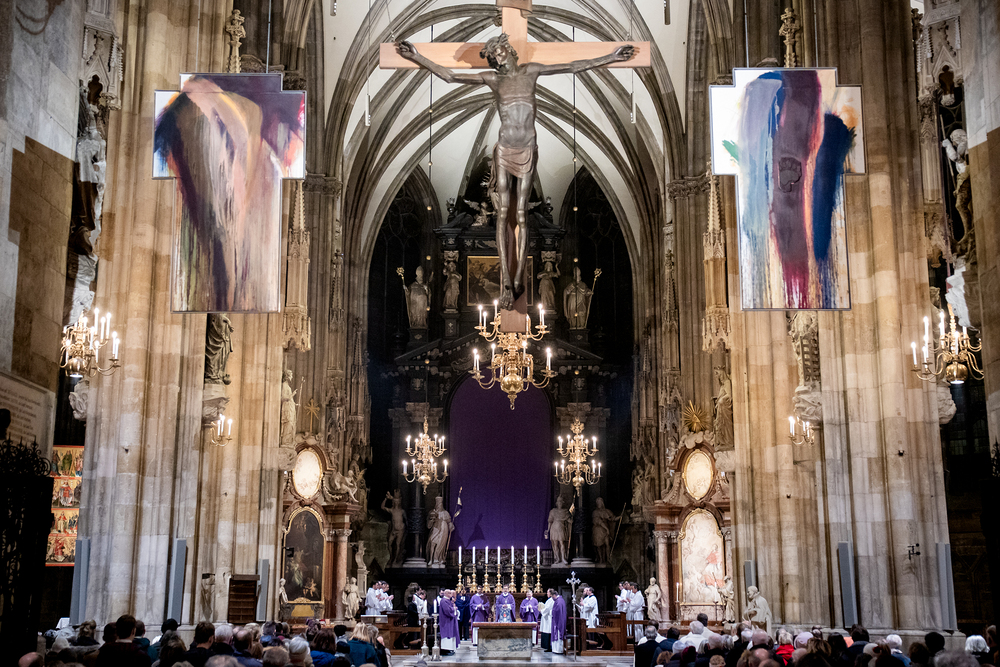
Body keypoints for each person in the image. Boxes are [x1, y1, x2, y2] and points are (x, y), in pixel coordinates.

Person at [396, 35, 634, 310]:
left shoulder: (532, 71)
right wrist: (416, 57)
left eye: (499, 52)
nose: (498, 58)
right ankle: (507, 282)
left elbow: (571, 66)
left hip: (527, 149)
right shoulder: (493, 79)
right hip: (505, 149)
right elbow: (449, 76)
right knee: (502, 215)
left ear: (509, 49)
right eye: (493, 57)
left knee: (521, 214)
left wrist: (610, 57)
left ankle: (519, 278)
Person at [440, 588, 460, 655]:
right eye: (449, 593)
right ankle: (446, 649)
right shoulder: (444, 601)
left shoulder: (448, 600)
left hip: (450, 621)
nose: (451, 594)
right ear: (446, 594)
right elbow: (447, 610)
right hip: (446, 621)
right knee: (447, 635)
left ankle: (451, 649)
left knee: (452, 634)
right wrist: (454, 609)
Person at [551, 589, 567, 655]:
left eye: (552, 597)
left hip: (558, 621)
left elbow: (557, 611)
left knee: (557, 634)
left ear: (554, 595)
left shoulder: (558, 601)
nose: (552, 598)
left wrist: (552, 612)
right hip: (560, 619)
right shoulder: (561, 600)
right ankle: (557, 649)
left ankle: (558, 650)